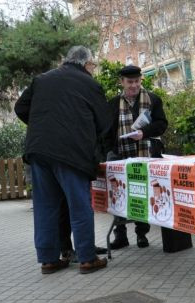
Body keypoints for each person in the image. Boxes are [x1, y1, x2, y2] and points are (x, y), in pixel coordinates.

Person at [15, 46, 110, 274]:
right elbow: (105, 122)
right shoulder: (90, 84)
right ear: (86, 64)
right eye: (93, 65)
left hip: (39, 151)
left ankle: (48, 260)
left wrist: (45, 126)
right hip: (72, 154)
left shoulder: (42, 79)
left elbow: (20, 107)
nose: (93, 69)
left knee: (45, 207)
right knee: (79, 206)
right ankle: (87, 258)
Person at [105, 65, 167, 249]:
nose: (134, 85)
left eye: (137, 81)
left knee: (142, 193)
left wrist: (144, 133)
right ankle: (120, 236)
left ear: (141, 80)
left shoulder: (153, 100)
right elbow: (107, 132)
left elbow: (162, 124)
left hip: (145, 153)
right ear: (122, 82)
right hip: (120, 156)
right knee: (118, 195)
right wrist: (109, 152)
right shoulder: (113, 103)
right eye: (129, 82)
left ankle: (142, 234)